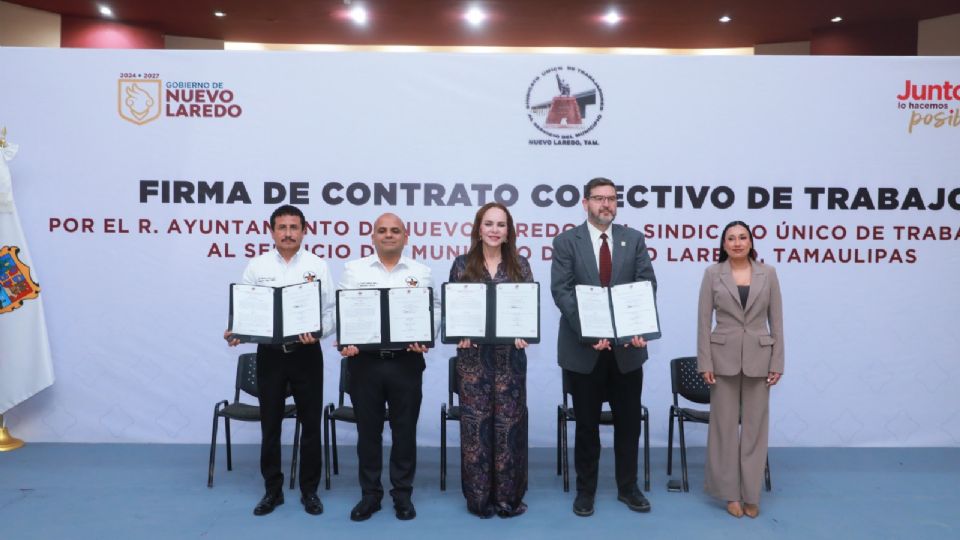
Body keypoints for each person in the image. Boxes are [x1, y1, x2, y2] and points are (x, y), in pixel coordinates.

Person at [550, 177, 656, 517]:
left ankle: (628, 487)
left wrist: (637, 327)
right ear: (585, 203)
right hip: (584, 351)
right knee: (586, 425)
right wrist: (588, 330)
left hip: (627, 351)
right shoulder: (567, 242)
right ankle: (586, 492)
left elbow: (646, 284)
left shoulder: (633, 239)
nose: (606, 204)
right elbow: (562, 290)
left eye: (611, 198)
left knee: (629, 423)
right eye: (599, 198)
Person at [224, 204, 335, 516]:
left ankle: (309, 491)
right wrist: (237, 330)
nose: (288, 233)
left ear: (304, 231)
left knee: (311, 425)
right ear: (271, 231)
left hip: (306, 355)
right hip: (270, 356)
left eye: (294, 227)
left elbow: (330, 311)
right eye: (282, 227)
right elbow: (246, 307)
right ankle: (272, 491)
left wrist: (320, 332)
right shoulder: (257, 266)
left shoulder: (317, 265)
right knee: (270, 425)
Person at [338, 213, 433, 522]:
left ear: (406, 237)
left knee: (404, 432)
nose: (388, 235)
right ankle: (370, 495)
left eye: (395, 231)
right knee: (368, 433)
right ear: (373, 237)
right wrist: (347, 340)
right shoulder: (354, 270)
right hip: (364, 364)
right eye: (382, 230)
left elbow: (435, 311)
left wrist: (426, 336)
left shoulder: (421, 272)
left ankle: (402, 495)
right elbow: (343, 311)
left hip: (406, 363)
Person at [449, 202, 533, 518]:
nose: (495, 230)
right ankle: (479, 500)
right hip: (473, 362)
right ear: (478, 228)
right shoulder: (461, 265)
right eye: (489, 224)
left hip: (510, 362)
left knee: (509, 431)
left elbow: (527, 310)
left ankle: (508, 499)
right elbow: (454, 311)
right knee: (476, 431)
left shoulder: (521, 266)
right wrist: (459, 333)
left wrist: (524, 332)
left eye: (501, 224)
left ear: (508, 231)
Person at [696, 221, 784, 519]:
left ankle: (751, 494)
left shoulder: (768, 273)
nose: (737, 243)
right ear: (723, 244)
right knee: (724, 429)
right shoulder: (712, 273)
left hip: (760, 359)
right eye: (731, 238)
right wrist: (705, 363)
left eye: (742, 237)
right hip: (722, 361)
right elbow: (703, 322)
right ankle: (730, 494)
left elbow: (777, 321)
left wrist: (777, 362)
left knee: (755, 431)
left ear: (751, 242)